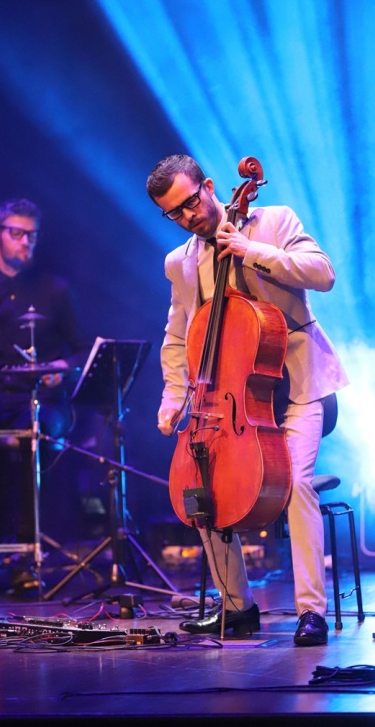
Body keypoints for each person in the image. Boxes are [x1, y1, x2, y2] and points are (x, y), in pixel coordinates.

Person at [146, 154, 349, 646]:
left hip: (294, 387)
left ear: (209, 186)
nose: (188, 217)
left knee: (297, 483)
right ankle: (236, 608)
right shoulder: (182, 262)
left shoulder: (275, 220)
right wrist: (173, 397)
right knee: (203, 493)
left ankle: (310, 612)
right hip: (229, 400)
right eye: (174, 213)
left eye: (191, 202)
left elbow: (322, 274)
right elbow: (178, 338)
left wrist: (252, 250)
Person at [0, 198, 86, 591]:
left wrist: (62, 368)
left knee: (31, 442)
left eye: (32, 235)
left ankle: (27, 560)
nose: (26, 242)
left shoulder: (56, 291)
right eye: (17, 233)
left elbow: (80, 349)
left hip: (41, 404)